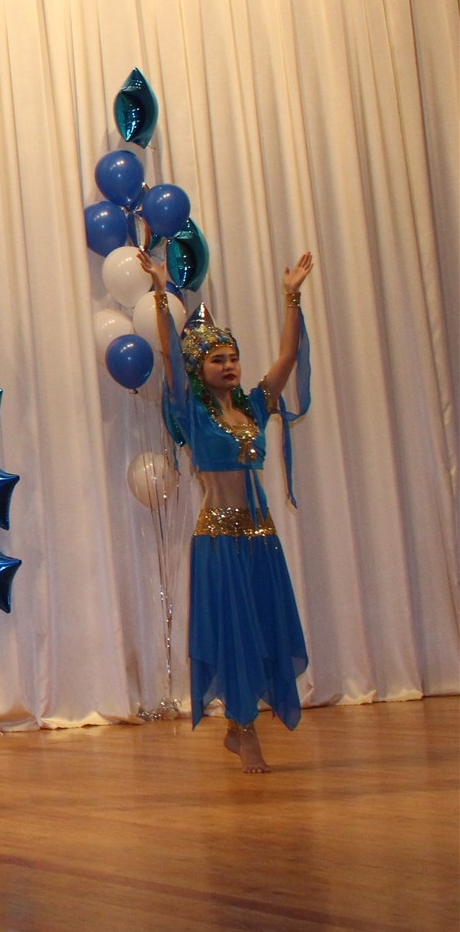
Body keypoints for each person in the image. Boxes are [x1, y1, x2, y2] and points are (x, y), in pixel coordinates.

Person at [143, 249, 314, 772]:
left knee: (264, 626)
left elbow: (286, 358)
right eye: (217, 359)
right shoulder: (192, 412)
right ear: (200, 369)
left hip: (261, 536)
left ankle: (242, 727)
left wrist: (291, 297)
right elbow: (169, 358)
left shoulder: (255, 406)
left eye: (233, 357)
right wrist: (160, 293)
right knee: (235, 633)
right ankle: (244, 730)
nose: (229, 365)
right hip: (217, 539)